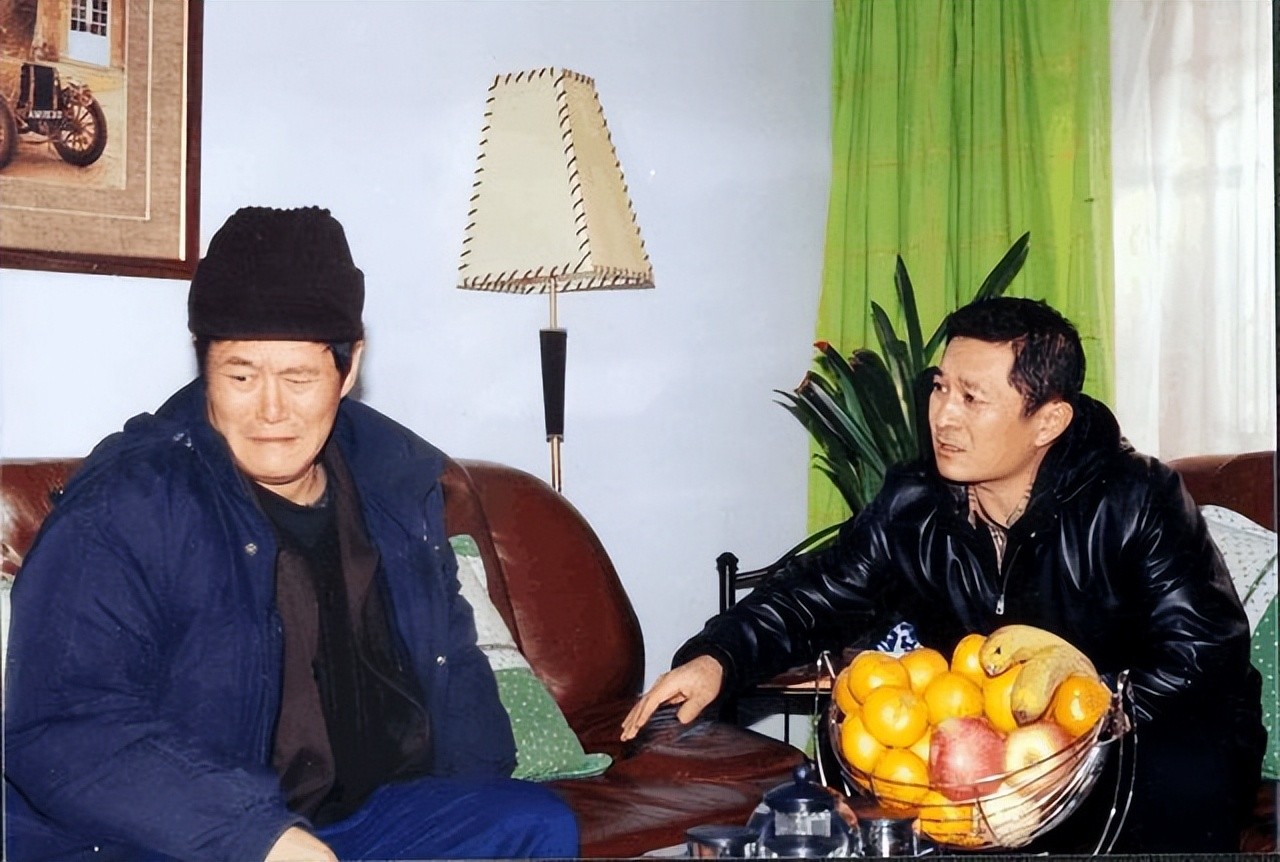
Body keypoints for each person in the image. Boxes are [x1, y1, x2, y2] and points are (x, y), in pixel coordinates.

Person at [4, 207, 579, 862]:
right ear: (203, 364)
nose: (270, 411)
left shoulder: (398, 485)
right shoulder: (125, 505)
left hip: (363, 823)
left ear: (349, 367)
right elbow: (61, 725)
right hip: (193, 833)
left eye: (299, 379)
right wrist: (257, 838)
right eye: (241, 376)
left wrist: (476, 789)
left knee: (533, 824)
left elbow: (456, 678)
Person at [621, 296, 1265, 853]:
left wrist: (1078, 733)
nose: (943, 416)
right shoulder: (915, 502)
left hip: (1150, 740)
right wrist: (718, 658)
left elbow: (1203, 653)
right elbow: (818, 592)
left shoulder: (1135, 498)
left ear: (1047, 420)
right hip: (991, 750)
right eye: (939, 388)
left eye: (972, 398)